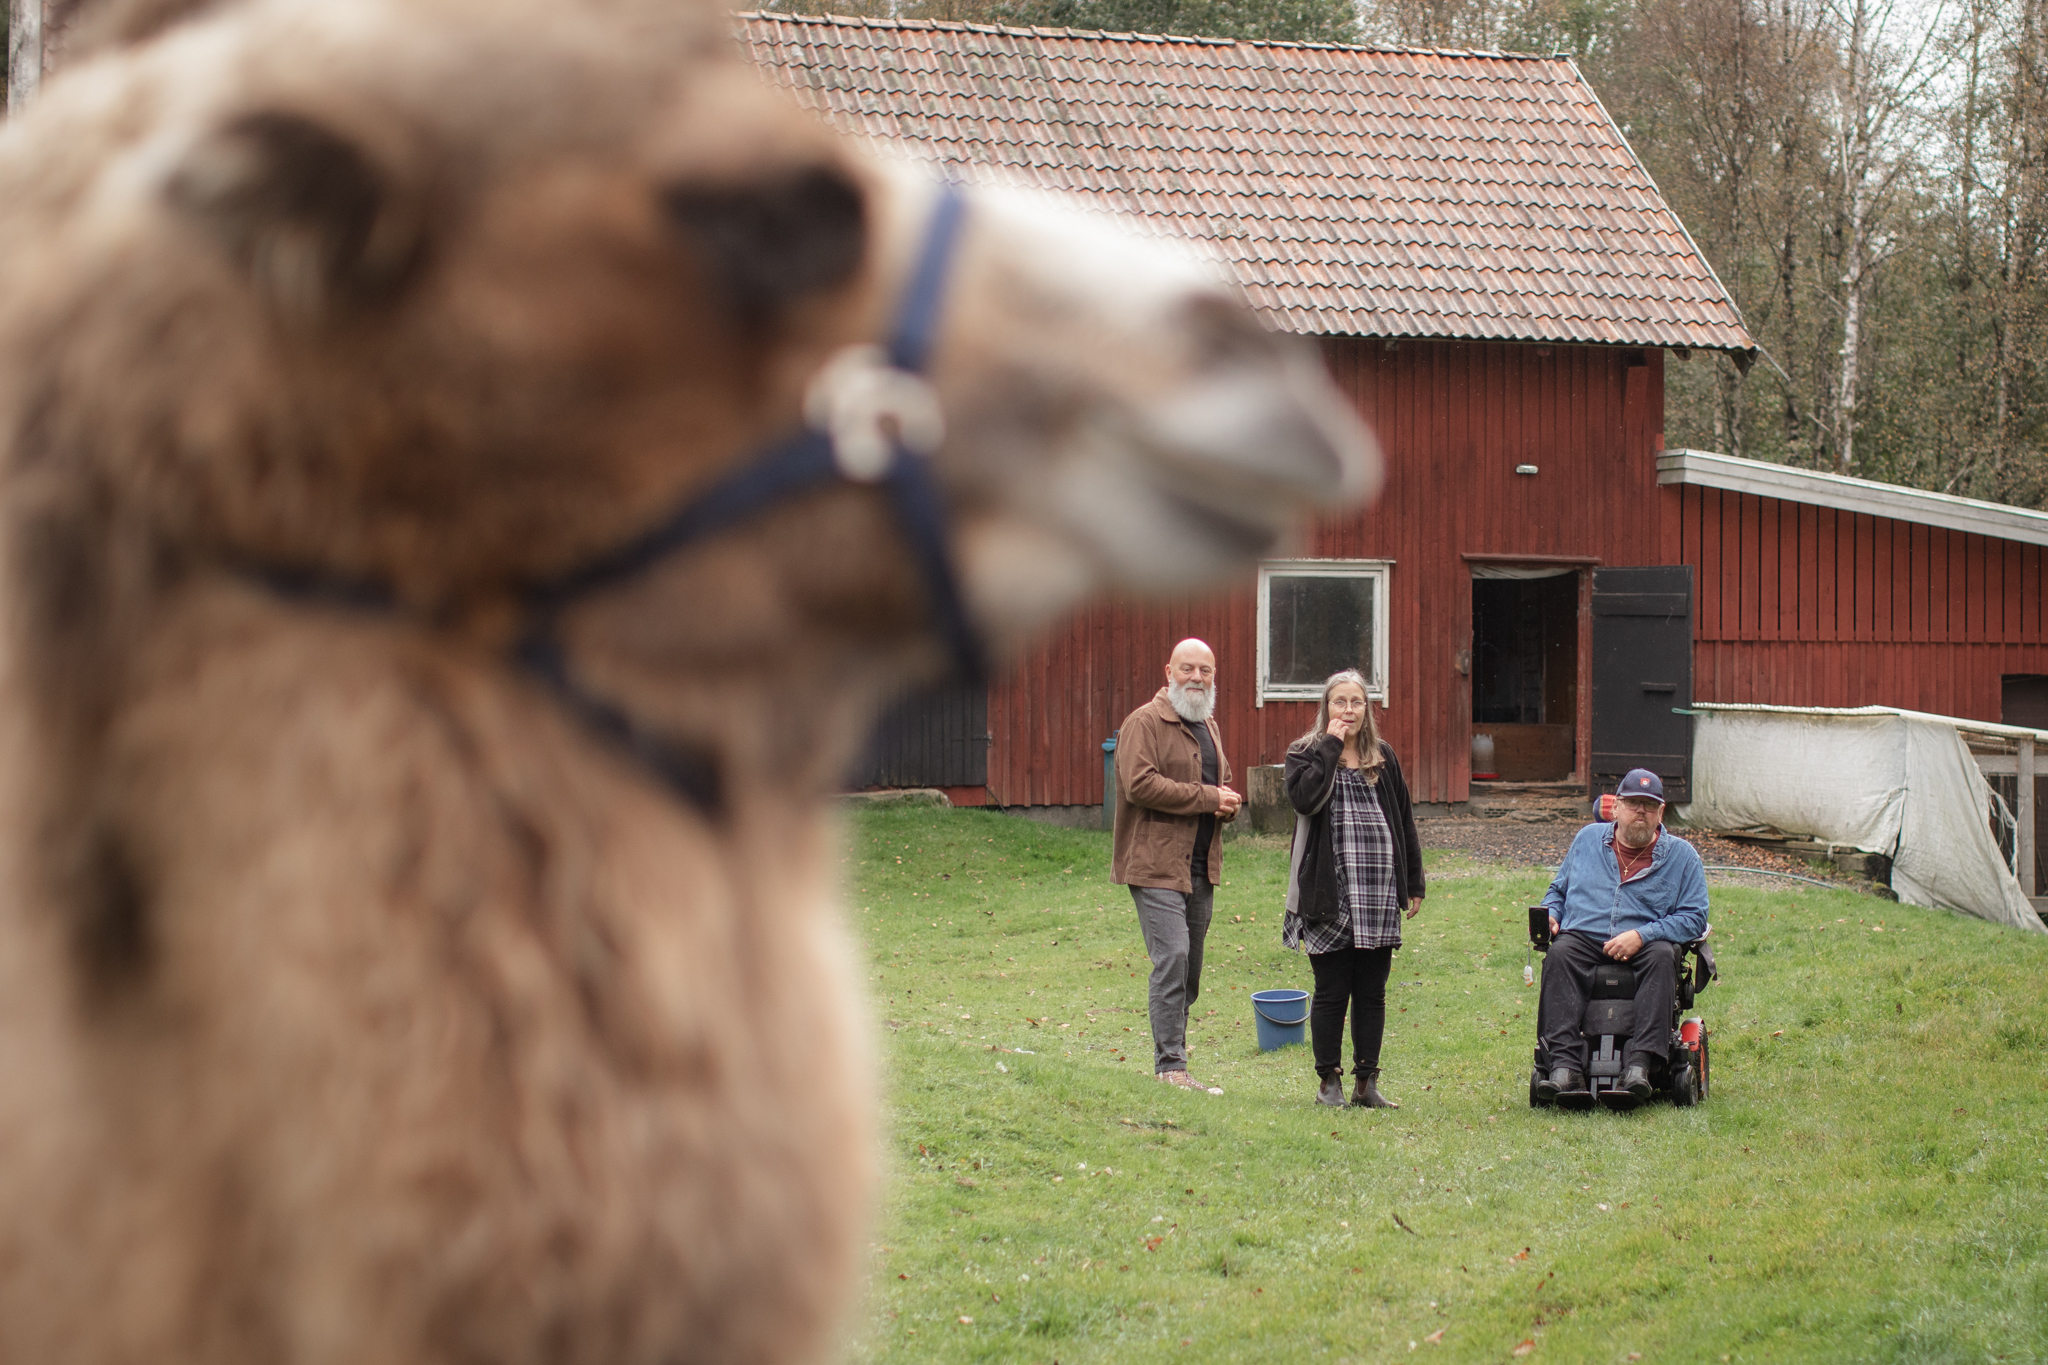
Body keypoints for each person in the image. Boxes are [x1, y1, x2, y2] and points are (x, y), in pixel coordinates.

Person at [1281, 670, 1425, 1109]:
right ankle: (1329, 1082)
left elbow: (1403, 820)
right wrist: (1329, 744)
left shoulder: (1383, 757)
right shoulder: (1304, 753)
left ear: (1367, 709)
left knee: (1372, 991)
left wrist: (1414, 881)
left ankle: (1367, 1083)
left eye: (1356, 702)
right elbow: (1305, 799)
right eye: (1340, 702)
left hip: (1377, 888)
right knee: (1331, 990)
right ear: (1327, 707)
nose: (1348, 710)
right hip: (1329, 889)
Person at [1111, 638, 1241, 1093]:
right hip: (1153, 862)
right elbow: (1139, 784)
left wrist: (1227, 803)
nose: (1197, 678)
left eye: (1205, 671)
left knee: (1191, 969)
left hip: (1200, 865)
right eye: (1188, 669)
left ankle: (1178, 1061)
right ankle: (1170, 1067)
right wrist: (1209, 798)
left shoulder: (1208, 724)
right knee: (1173, 957)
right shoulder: (1143, 722)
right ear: (1169, 670)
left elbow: (1215, 783)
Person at [1534, 768, 1710, 1104]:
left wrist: (1643, 935)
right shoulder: (1586, 840)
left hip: (1646, 943)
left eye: (1649, 805)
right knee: (1559, 955)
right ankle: (1564, 1066)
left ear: (1661, 812)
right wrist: (1552, 914)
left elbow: (1695, 917)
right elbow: (1558, 890)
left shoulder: (1682, 857)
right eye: (1633, 803)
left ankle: (1640, 1065)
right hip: (1585, 936)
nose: (1640, 811)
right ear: (1616, 808)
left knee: (1662, 956)